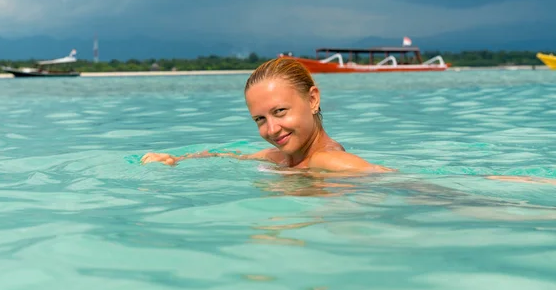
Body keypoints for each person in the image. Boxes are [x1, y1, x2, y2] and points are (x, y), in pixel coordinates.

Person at [141, 57, 393, 174]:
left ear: (313, 99)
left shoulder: (328, 161)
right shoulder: (280, 157)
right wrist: (178, 159)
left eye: (280, 111)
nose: (271, 130)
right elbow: (227, 155)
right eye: (260, 119)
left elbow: (394, 181)